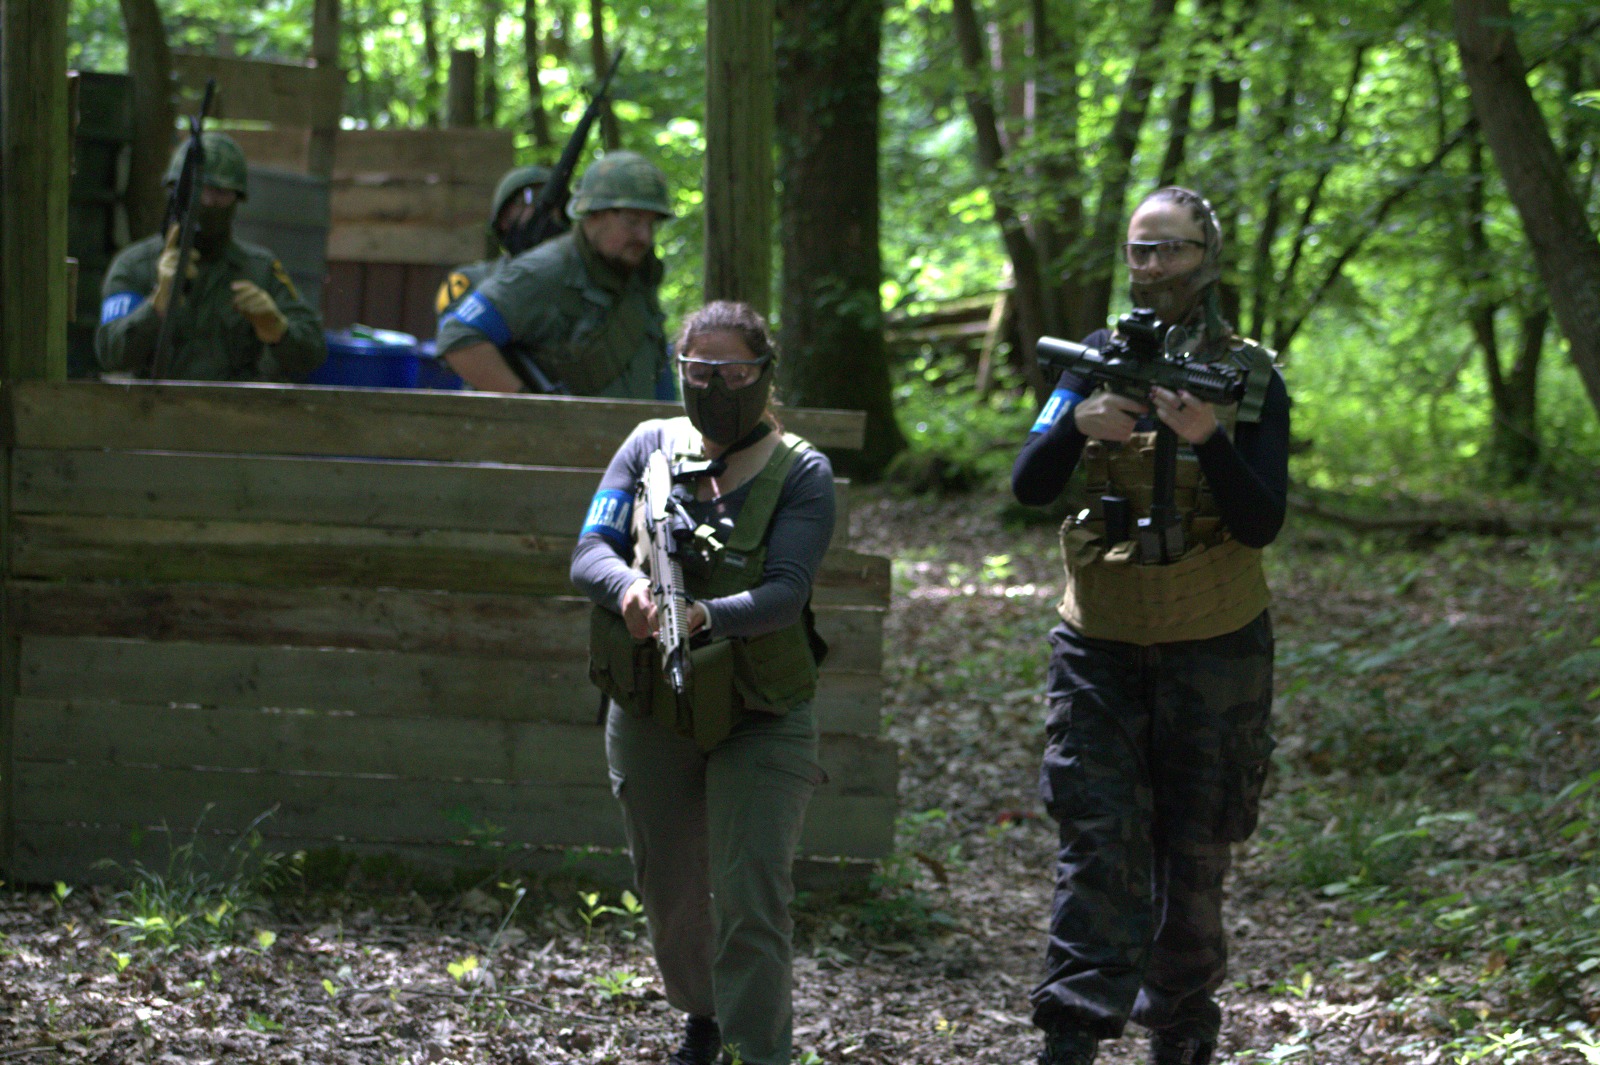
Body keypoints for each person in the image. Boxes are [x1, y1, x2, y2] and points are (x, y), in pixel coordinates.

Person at [1011, 186, 1291, 1065]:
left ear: (1207, 255)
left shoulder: (1252, 375)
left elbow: (1262, 519)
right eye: (1141, 249)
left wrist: (1210, 438)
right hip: (1100, 641)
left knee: (1196, 845)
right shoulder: (1092, 360)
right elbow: (1028, 479)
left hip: (1215, 642)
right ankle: (1071, 1032)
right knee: (1097, 838)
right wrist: (1077, 423)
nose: (1155, 266)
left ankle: (1180, 1026)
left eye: (1172, 248)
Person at [571, 301, 834, 1065]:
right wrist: (630, 589)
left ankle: (757, 1052)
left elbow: (786, 592)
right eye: (700, 370)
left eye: (736, 372)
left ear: (765, 373)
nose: (717, 386)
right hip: (655, 702)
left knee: (752, 893)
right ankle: (704, 1015)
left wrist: (704, 615)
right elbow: (590, 550)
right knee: (671, 891)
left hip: (761, 709)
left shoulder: (802, 471)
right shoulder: (647, 446)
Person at [435, 150, 675, 398]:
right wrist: (530, 405)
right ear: (594, 214)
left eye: (651, 224)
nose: (645, 236)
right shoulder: (545, 270)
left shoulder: (637, 274)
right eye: (632, 221)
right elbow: (458, 336)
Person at [95, 131, 326, 382]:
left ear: (237, 198)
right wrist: (156, 306)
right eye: (197, 191)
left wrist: (278, 330)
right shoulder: (135, 266)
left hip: (232, 404)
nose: (206, 202)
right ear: (176, 193)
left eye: (220, 194)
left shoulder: (259, 269)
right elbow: (110, 354)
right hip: (153, 403)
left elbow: (313, 351)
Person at [433, 163, 565, 318]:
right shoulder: (469, 282)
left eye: (552, 202)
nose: (540, 211)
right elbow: (457, 329)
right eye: (528, 199)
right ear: (503, 218)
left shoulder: (578, 285)